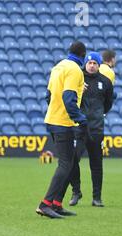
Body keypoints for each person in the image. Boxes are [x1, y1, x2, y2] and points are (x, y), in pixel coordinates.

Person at [35, 41, 87, 219]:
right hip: (63, 123)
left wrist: (57, 112)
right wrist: (79, 118)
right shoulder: (74, 70)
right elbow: (69, 96)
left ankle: (57, 204)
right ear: (83, 55)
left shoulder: (58, 67)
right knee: (65, 164)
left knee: (70, 161)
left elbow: (48, 96)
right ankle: (45, 204)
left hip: (52, 119)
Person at [67, 52, 114, 207]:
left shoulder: (106, 82)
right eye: (89, 63)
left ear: (99, 65)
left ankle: (97, 198)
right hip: (79, 128)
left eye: (95, 63)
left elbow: (108, 103)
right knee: (73, 159)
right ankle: (76, 192)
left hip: (96, 129)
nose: (92, 65)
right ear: (85, 64)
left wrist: (99, 115)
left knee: (96, 164)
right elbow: (70, 99)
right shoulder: (78, 79)